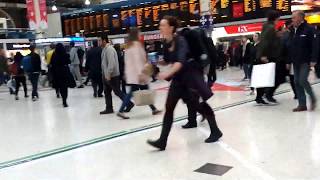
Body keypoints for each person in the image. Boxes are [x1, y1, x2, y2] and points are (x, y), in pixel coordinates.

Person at [147, 16, 222, 151]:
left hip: (190, 78)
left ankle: (215, 130)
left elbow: (180, 62)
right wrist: (155, 63)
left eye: (163, 25)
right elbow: (168, 60)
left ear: (171, 27)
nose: (160, 27)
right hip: (178, 80)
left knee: (199, 105)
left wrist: (166, 74)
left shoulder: (180, 41)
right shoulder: (166, 43)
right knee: (169, 108)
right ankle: (162, 141)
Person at [117, 28, 162, 119]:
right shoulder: (136, 45)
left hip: (132, 74)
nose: (140, 34)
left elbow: (127, 62)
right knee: (141, 91)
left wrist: (127, 73)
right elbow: (138, 61)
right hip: (139, 74)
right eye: (139, 33)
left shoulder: (128, 46)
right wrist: (140, 74)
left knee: (137, 91)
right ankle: (121, 111)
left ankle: (153, 109)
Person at [288, 11, 318, 112]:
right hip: (295, 61)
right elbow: (290, 46)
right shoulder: (292, 30)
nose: (292, 20)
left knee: (302, 80)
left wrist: (314, 59)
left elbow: (315, 45)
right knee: (296, 82)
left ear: (301, 18)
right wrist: (288, 61)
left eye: (294, 18)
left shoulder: (309, 29)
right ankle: (302, 104)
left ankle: (312, 97)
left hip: (305, 60)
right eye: (292, 18)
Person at [100, 34, 134, 115]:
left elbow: (112, 63)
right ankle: (109, 108)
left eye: (100, 40)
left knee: (117, 91)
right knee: (107, 92)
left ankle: (129, 103)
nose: (99, 42)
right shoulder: (105, 49)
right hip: (107, 75)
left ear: (104, 40)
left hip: (112, 75)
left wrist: (108, 74)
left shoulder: (109, 49)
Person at [256, 10, 282, 105]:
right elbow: (265, 42)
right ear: (275, 18)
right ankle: (266, 96)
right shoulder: (270, 27)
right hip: (268, 56)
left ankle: (259, 98)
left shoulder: (266, 25)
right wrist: (263, 55)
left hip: (265, 55)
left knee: (263, 77)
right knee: (271, 77)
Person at [50, 43, 71, 107]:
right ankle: (65, 100)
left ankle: (62, 98)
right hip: (64, 72)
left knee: (60, 86)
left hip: (57, 72)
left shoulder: (54, 54)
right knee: (65, 87)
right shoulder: (65, 54)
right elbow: (69, 61)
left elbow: (52, 64)